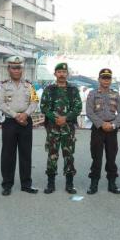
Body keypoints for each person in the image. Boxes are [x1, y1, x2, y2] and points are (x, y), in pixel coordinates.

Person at [0, 55, 40, 195]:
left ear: (22, 69)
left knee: (26, 153)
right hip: (10, 122)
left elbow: (34, 102)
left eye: (19, 68)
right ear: (9, 69)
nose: (16, 70)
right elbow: (1, 103)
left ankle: (26, 184)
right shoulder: (2, 86)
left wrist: (25, 114)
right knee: (8, 154)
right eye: (13, 68)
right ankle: (7, 185)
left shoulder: (29, 85)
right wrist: (16, 116)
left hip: (26, 122)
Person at [39, 63, 82, 194]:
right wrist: (54, 117)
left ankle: (69, 184)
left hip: (68, 128)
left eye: (64, 72)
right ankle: (50, 183)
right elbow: (44, 106)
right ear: (55, 74)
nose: (62, 74)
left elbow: (78, 107)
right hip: (53, 127)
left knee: (68, 155)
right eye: (59, 72)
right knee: (52, 154)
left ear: (67, 74)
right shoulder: (49, 89)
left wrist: (66, 118)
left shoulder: (73, 90)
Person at [86, 68, 120, 194]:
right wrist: (102, 124)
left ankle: (112, 183)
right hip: (98, 129)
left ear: (111, 80)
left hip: (112, 130)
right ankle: (94, 183)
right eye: (103, 78)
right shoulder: (92, 94)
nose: (106, 80)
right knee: (96, 157)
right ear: (99, 79)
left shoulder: (116, 94)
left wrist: (113, 125)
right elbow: (89, 112)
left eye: (108, 78)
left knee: (111, 157)